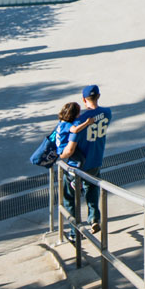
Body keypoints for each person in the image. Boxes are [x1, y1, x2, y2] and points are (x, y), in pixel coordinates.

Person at [61, 85, 112, 237]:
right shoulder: (107, 113)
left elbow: (70, 149)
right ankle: (94, 218)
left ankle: (74, 231)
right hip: (95, 160)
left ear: (84, 100)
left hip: (77, 165)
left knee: (70, 198)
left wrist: (61, 156)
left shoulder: (79, 121)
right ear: (99, 96)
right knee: (92, 189)